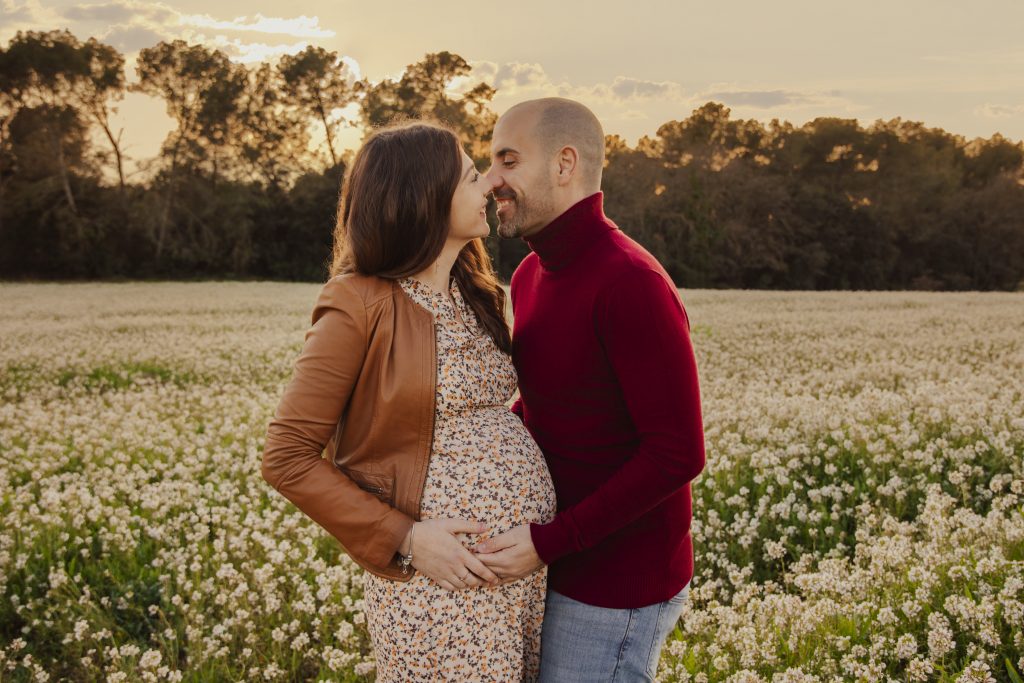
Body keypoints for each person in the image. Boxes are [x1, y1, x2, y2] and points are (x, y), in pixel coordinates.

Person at [260, 120, 556, 682]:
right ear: (426, 200)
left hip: (516, 575)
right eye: (471, 177)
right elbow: (286, 456)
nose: (490, 187)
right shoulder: (358, 303)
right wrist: (409, 539)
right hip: (440, 585)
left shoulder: (476, 291)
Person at [473, 98, 706, 682]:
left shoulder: (631, 283)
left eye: (507, 160)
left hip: (616, 586)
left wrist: (550, 542)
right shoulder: (529, 275)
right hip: (561, 561)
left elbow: (677, 452)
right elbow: (551, 405)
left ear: (564, 163)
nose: (491, 180)